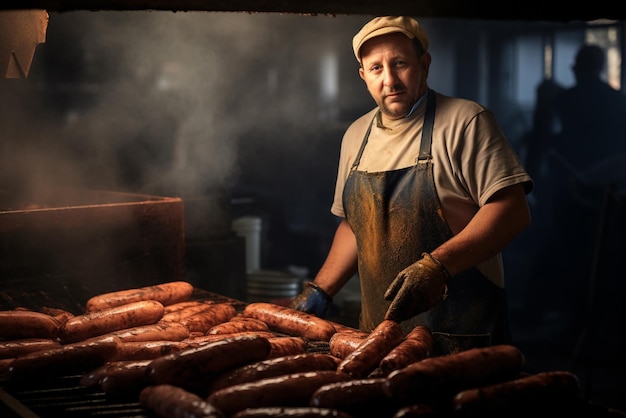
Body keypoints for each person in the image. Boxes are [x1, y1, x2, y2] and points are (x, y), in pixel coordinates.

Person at [290, 16, 534, 353]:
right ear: (363, 76)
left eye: (400, 63)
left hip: (460, 340)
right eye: (376, 68)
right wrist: (320, 290)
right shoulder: (355, 137)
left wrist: (438, 266)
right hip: (378, 341)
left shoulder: (466, 121)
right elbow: (354, 226)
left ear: (424, 64)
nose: (389, 80)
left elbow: (512, 210)